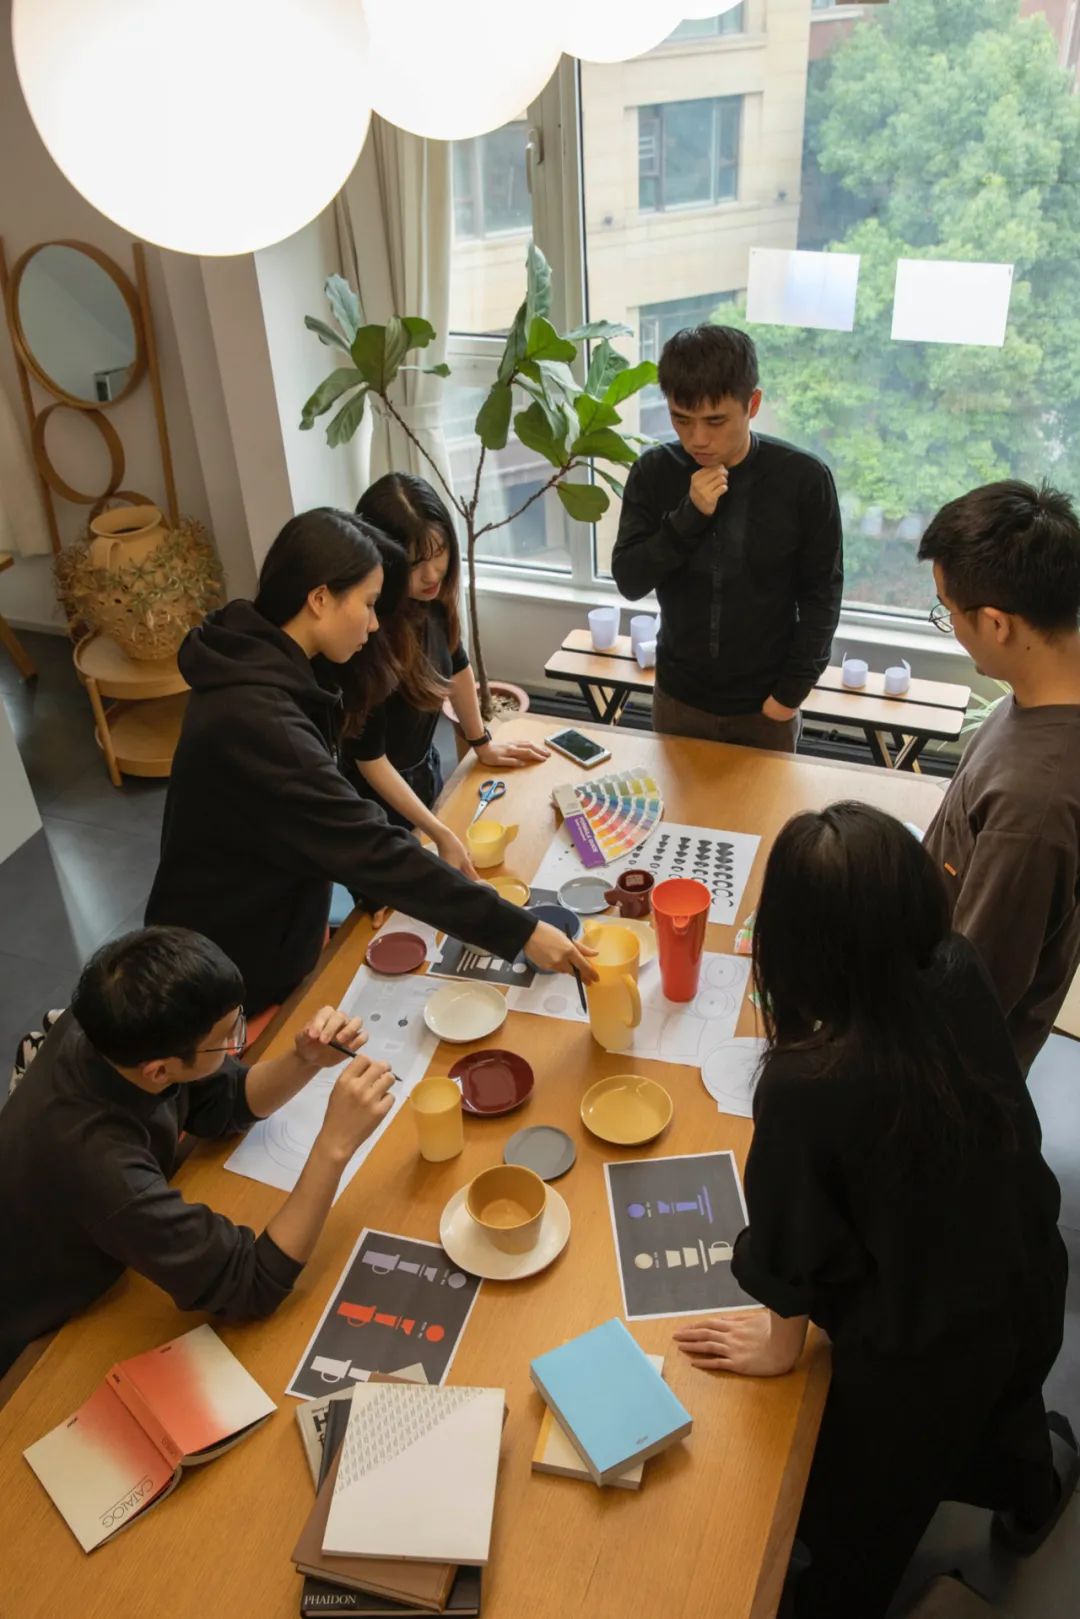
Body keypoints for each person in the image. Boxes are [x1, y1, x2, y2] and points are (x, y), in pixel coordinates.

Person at [673, 803, 1075, 1619]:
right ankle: (1035, 1492)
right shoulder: (957, 966)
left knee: (861, 1526)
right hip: (1027, 1266)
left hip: (921, 1352)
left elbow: (793, 1248)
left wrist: (780, 1345)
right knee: (1009, 1414)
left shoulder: (806, 1083)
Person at [145, 508, 594, 1014]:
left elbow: (314, 824)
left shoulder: (264, 661)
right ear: (319, 599)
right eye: (369, 604)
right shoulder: (263, 723)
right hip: (225, 968)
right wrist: (522, 931)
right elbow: (366, 842)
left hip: (262, 928)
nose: (377, 623)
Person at [0, 926, 395, 1378]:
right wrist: (334, 1146)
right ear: (158, 1071)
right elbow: (250, 1285)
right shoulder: (102, 1166)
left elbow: (221, 1102)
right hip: (37, 1322)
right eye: (227, 1035)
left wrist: (304, 1060)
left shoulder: (114, 1026)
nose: (235, 1042)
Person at [611, 325, 843, 754]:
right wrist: (688, 516)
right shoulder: (654, 472)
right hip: (678, 698)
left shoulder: (804, 479)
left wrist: (788, 696)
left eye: (715, 421)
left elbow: (822, 596)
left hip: (766, 706)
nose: (697, 438)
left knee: (767, 802)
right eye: (682, 419)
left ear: (752, 404)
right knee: (674, 798)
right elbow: (630, 578)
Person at [919, 479, 1080, 1073]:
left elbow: (968, 1001)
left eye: (947, 611)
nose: (950, 625)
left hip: (948, 1073)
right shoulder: (1038, 696)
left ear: (996, 623)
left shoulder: (1031, 805)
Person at [345, 473, 549, 853]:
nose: (432, 574)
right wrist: (435, 829)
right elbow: (368, 759)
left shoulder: (432, 602)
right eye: (414, 563)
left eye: (440, 552)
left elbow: (457, 664)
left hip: (423, 769)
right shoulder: (367, 633)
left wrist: (481, 743)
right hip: (376, 798)